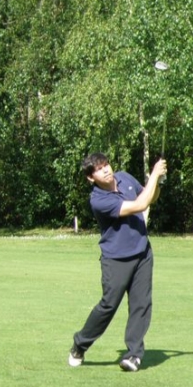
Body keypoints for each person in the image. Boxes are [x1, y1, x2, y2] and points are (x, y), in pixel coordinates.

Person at [68, 152, 167, 372]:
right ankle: (80, 344)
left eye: (106, 164)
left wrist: (157, 182)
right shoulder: (98, 200)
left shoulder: (125, 178)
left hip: (142, 252)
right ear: (91, 178)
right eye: (99, 168)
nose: (106, 169)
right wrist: (154, 175)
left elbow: (150, 197)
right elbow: (140, 205)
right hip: (116, 259)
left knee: (141, 304)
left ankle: (133, 355)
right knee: (108, 306)